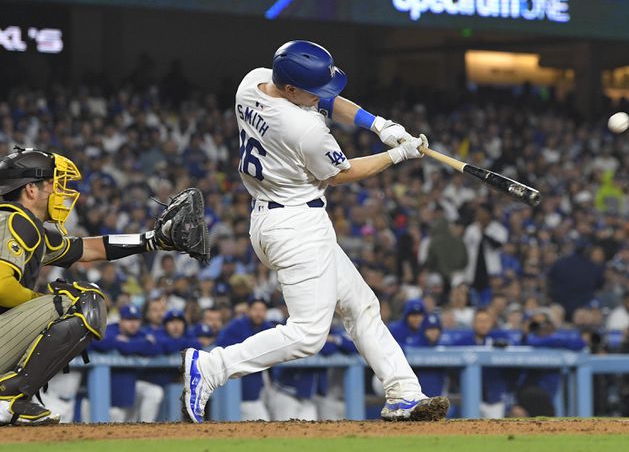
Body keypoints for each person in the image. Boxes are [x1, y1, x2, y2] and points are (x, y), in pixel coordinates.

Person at [182, 40, 449, 423]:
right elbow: (342, 174)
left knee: (361, 306)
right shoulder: (303, 129)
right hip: (295, 227)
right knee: (308, 335)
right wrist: (397, 154)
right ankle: (211, 367)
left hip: (278, 217)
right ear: (291, 89)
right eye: (311, 90)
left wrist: (378, 125)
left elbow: (324, 100)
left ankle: (403, 392)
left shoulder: (253, 82)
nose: (322, 97)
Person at [0, 148, 204, 425]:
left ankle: (9, 397)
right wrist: (43, 302)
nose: (59, 191)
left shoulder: (25, 225)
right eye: (51, 183)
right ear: (31, 190)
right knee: (79, 300)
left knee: (72, 298)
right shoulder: (13, 220)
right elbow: (1, 286)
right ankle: (7, 397)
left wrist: (152, 240)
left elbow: (87, 248)